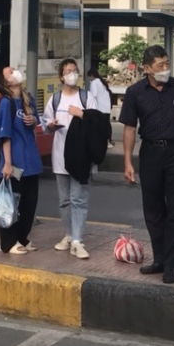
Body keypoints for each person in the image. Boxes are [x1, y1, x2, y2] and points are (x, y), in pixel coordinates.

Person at [119, 46, 174, 285]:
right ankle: (160, 259)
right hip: (151, 152)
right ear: (147, 68)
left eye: (166, 63)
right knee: (153, 211)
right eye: (160, 65)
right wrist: (127, 162)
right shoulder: (135, 92)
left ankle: (171, 265)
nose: (165, 68)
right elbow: (129, 128)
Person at [43, 57, 108, 260]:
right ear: (61, 76)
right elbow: (45, 125)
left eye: (75, 70)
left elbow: (98, 122)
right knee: (64, 201)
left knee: (79, 199)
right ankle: (69, 235)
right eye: (68, 71)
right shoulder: (54, 99)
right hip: (61, 156)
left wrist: (82, 114)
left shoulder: (86, 97)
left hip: (81, 157)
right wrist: (51, 125)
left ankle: (78, 240)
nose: (72, 74)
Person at [0, 65, 44, 255]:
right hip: (14, 162)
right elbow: (5, 135)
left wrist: (33, 120)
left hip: (31, 161)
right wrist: (7, 163)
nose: (15, 71)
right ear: (5, 82)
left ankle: (23, 237)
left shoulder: (28, 99)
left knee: (28, 204)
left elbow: (36, 122)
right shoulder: (6, 103)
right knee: (11, 204)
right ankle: (7, 242)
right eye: (9, 71)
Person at [86, 67, 114, 148]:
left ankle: (103, 142)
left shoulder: (95, 82)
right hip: (106, 107)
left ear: (91, 75)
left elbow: (93, 95)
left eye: (89, 77)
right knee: (107, 125)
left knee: (100, 126)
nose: (90, 79)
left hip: (100, 108)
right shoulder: (102, 82)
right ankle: (108, 141)